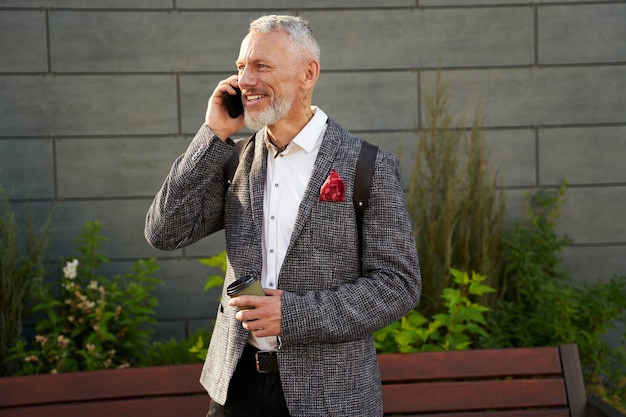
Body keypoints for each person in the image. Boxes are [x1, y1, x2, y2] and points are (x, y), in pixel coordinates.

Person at [145, 14, 421, 417]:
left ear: (308, 73)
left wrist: (292, 315)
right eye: (241, 66)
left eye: (261, 66)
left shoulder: (366, 166)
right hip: (235, 389)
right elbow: (163, 231)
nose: (244, 80)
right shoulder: (234, 160)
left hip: (330, 396)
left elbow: (398, 285)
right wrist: (212, 135)